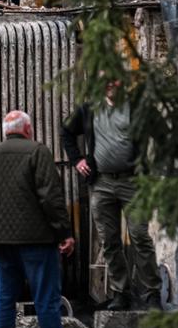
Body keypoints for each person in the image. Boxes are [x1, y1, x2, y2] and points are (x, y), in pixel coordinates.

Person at [0, 111, 91, 328]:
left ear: (6, 131)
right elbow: (50, 196)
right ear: (28, 128)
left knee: (4, 299)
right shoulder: (37, 152)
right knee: (46, 298)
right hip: (36, 240)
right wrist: (64, 233)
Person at [61, 81, 161, 311]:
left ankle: (152, 294)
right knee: (109, 240)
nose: (110, 83)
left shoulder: (136, 107)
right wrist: (77, 160)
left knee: (139, 236)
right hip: (101, 182)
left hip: (133, 181)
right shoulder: (89, 108)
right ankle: (120, 292)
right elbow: (66, 131)